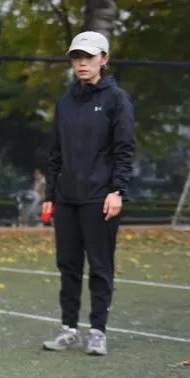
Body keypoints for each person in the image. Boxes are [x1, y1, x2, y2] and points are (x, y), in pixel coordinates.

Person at [42, 31, 134, 356]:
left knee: (99, 266)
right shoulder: (65, 103)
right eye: (77, 57)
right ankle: (69, 329)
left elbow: (124, 149)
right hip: (66, 198)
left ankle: (97, 331)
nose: (82, 62)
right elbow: (56, 152)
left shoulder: (116, 99)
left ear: (103, 60)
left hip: (100, 198)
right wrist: (50, 194)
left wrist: (117, 190)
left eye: (89, 56)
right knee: (67, 266)